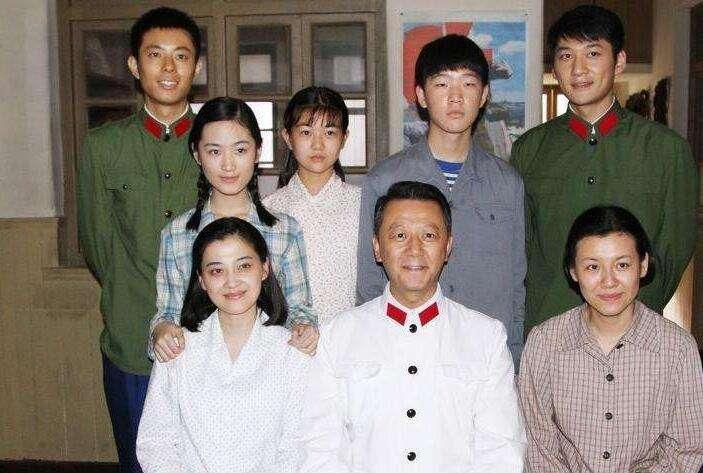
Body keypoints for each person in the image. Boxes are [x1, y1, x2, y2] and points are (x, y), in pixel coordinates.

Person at [300, 181, 525, 472]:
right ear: (377, 248)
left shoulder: (486, 338)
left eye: (429, 235)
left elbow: (501, 452)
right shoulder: (337, 336)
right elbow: (321, 449)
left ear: (448, 246)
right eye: (400, 235)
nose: (414, 249)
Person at [512, 4, 698, 333]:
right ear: (554, 66)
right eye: (566, 55)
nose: (578, 69)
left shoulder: (666, 150)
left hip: (634, 333)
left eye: (593, 53)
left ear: (619, 62)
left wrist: (635, 312)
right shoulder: (530, 149)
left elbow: (674, 248)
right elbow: (521, 246)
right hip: (550, 330)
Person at [76, 7, 202, 471]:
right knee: (138, 461)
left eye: (181, 56)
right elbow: (97, 246)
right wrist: (133, 298)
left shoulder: (218, 141)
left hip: (205, 336)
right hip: (131, 339)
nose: (169, 68)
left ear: (196, 67)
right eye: (155, 55)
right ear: (134, 65)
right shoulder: (104, 146)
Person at [356, 34, 526, 366]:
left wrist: (514, 359)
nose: (455, 97)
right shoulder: (385, 180)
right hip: (405, 355)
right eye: (442, 84)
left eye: (468, 84)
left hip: (483, 357)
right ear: (421, 95)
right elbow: (369, 283)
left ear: (484, 95)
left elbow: (516, 286)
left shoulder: (507, 183)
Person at [518, 206, 703, 471]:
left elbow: (687, 449)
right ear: (573, 271)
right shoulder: (544, 344)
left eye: (622, 265)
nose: (608, 281)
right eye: (593, 267)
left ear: (643, 265)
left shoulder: (678, 349)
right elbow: (538, 446)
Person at [148, 97, 318, 363]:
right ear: (197, 155)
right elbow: (168, 313)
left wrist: (304, 329)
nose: (228, 165)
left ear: (257, 152)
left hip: (269, 368)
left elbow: (299, 309)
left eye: (240, 150)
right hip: (202, 369)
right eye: (214, 152)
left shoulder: (284, 230)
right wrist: (161, 332)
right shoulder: (177, 234)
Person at [137, 217, 310, 472]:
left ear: (264, 269)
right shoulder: (178, 350)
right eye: (217, 271)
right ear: (202, 280)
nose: (231, 282)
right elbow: (156, 442)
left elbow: (298, 446)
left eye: (244, 266)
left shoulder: (291, 352)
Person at [263, 86, 360, 324]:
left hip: (351, 337)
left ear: (344, 138)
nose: (318, 144)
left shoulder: (363, 204)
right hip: (287, 338)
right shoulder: (268, 210)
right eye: (306, 132)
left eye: (329, 132)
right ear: (288, 137)